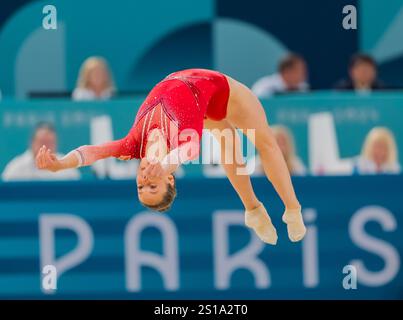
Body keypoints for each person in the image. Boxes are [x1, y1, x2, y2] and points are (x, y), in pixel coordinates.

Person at [36, 68, 306, 245]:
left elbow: (91, 153)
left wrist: (60, 164)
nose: (144, 180)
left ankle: (254, 211)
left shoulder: (132, 145)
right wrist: (164, 164)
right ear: (171, 180)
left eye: (141, 187)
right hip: (224, 93)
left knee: (230, 142)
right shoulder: (179, 144)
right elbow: (191, 149)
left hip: (195, 84)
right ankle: (290, 209)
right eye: (152, 186)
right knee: (263, 143)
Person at [2, 122, 80, 181]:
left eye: (50, 143)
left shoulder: (68, 168)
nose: (46, 147)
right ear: (32, 143)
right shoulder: (16, 167)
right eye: (42, 142)